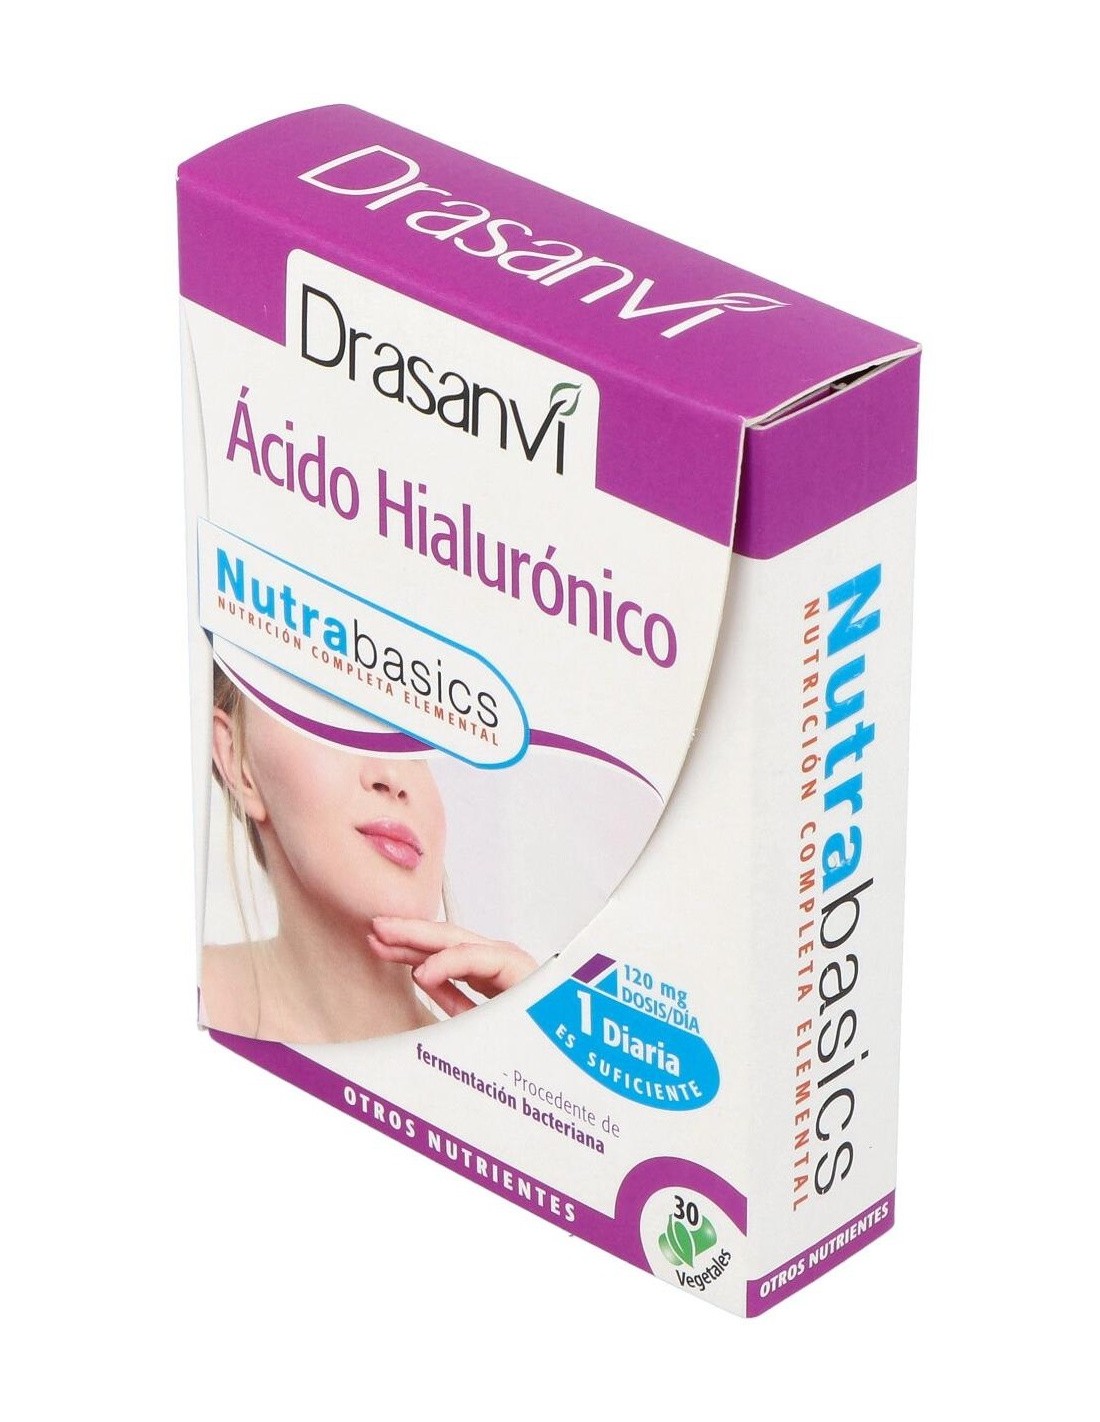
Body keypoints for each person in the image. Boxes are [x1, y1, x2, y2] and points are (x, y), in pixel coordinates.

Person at [202, 665, 536, 1043]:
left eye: (413, 739)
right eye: (334, 716)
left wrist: (550, 1061)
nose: (393, 777)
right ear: (236, 759)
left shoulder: (509, 1059)